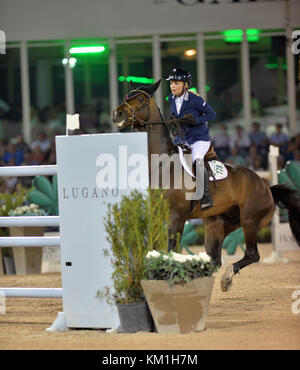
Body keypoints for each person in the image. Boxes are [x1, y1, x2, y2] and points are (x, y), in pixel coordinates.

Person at [166, 67, 216, 210]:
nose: (173, 86)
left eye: (176, 83)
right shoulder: (171, 99)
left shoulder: (196, 100)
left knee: (196, 159)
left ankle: (205, 197)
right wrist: (172, 118)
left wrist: (196, 120)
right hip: (182, 139)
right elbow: (176, 113)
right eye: (171, 83)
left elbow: (212, 115)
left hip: (199, 138)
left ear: (185, 85)